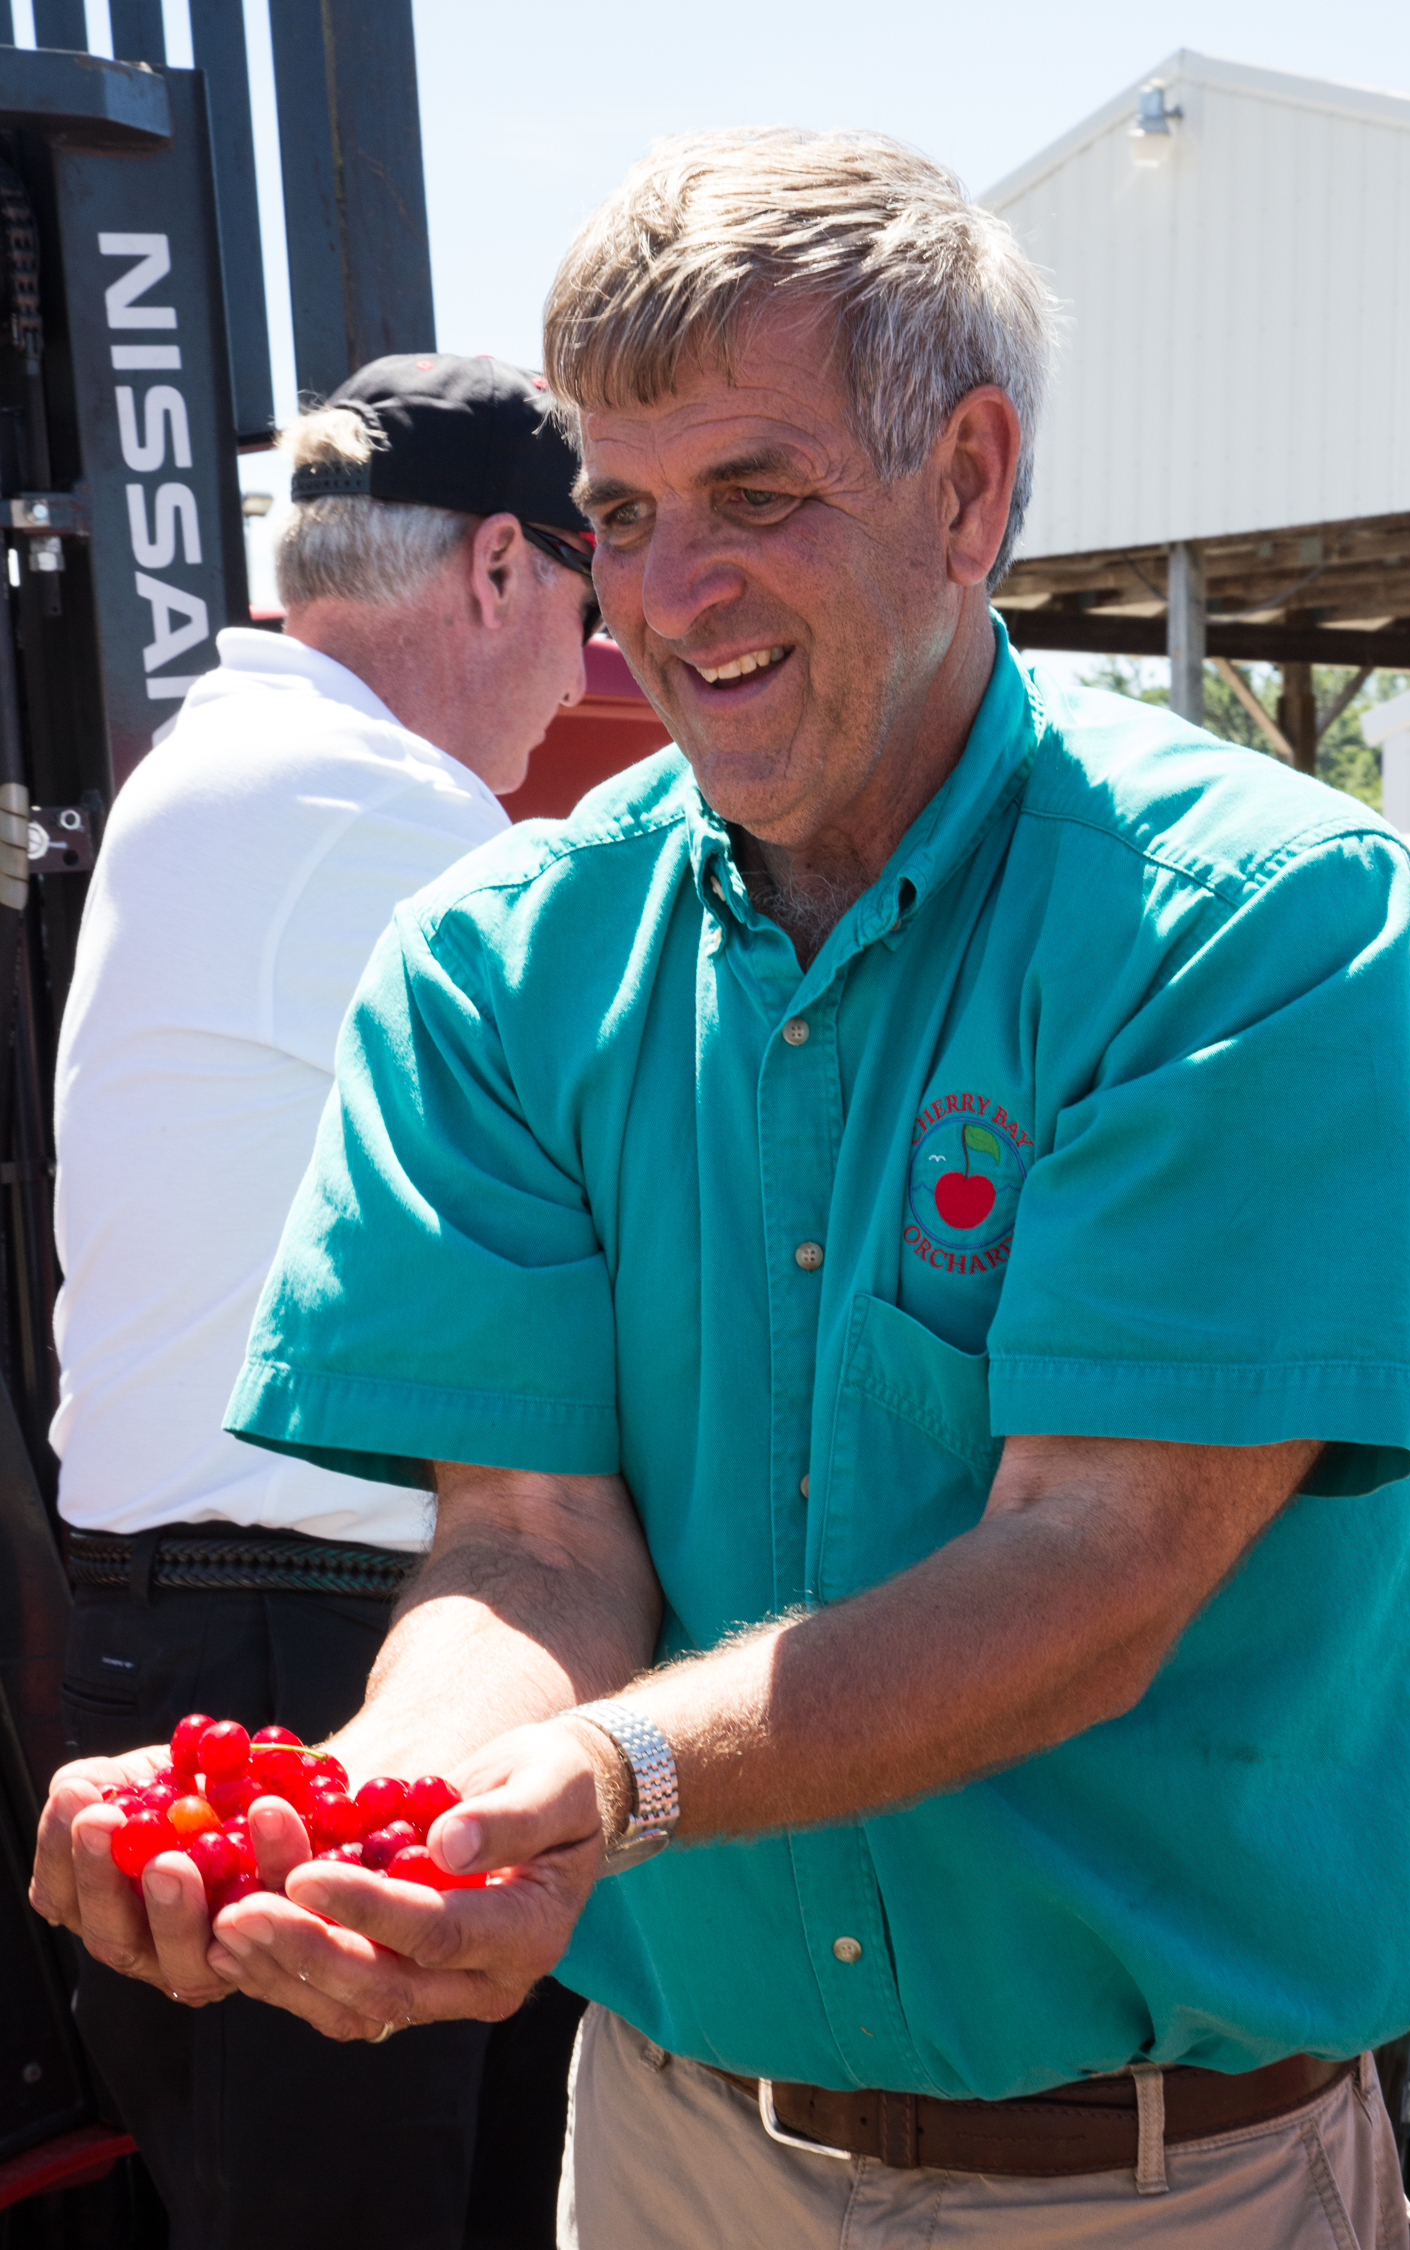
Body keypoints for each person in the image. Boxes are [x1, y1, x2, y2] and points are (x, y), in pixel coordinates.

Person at [37, 132, 1410, 2250]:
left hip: (1163, 2181)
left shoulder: (1247, 926)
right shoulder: (497, 962)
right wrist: (406, 1810)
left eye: (757, 495)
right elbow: (528, 1549)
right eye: (619, 513)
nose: (665, 591)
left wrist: (602, 1789)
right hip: (675, 2146)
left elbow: (1099, 1562)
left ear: (971, 485)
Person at [39, 354, 595, 2250]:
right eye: (590, 608)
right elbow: (716, 1026)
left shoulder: (233, 771)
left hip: (214, 1633)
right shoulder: (372, 806)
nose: (590, 671)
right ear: (502, 570)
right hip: (303, 1645)